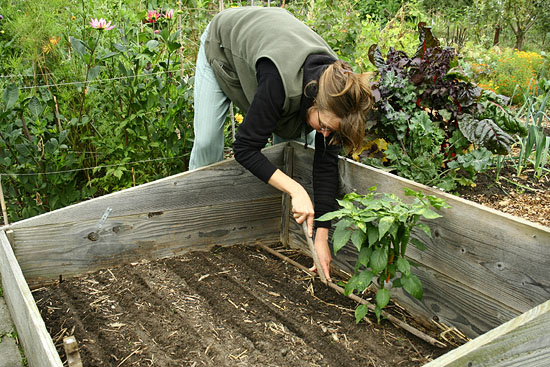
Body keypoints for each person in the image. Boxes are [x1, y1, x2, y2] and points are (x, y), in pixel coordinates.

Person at [189, 6, 373, 281]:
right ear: (314, 98)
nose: (324, 133)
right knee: (207, 143)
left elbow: (325, 166)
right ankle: (192, 224)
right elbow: (245, 148)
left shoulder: (338, 98)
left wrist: (322, 236)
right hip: (225, 49)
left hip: (267, 57)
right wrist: (296, 189)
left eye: (329, 130)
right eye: (323, 126)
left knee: (289, 145)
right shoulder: (279, 80)